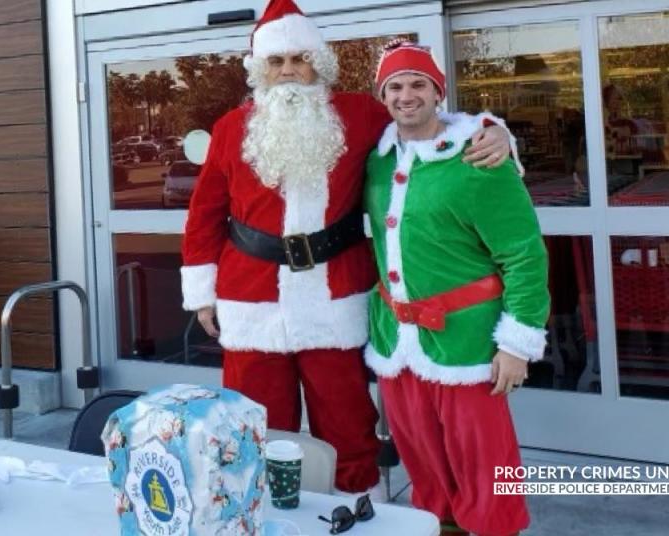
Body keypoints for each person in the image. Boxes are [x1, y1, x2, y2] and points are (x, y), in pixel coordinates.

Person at [179, 0, 517, 495]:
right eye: (278, 61)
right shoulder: (232, 127)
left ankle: (360, 512)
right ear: (260, 70)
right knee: (252, 424)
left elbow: (421, 117)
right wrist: (202, 292)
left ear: (320, 63)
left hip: (334, 295)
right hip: (251, 298)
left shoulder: (360, 114)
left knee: (347, 423)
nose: (290, 71)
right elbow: (204, 214)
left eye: (300, 58)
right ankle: (260, 512)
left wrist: (493, 129)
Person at [364, 41, 550, 535]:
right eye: (395, 86)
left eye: (418, 84)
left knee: (487, 473)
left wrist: (517, 343)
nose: (407, 95)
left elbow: (524, 254)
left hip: (467, 343)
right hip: (397, 344)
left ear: (437, 92)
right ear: (384, 97)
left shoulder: (479, 157)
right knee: (423, 467)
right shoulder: (377, 160)